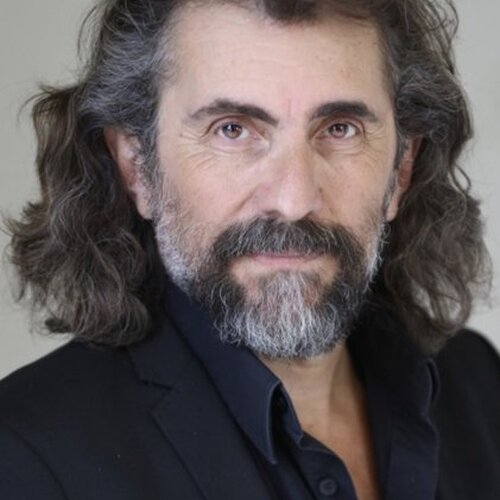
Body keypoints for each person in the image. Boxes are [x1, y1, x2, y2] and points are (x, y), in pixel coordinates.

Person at [0, 0, 498, 498]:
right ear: (137, 167)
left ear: (402, 168)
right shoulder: (25, 457)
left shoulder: (478, 385)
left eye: (340, 128)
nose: (293, 201)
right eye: (232, 129)